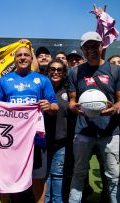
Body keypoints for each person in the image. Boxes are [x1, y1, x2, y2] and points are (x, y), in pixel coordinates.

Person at [0, 46, 59, 203]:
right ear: (14, 59)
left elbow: (55, 106)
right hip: (11, 142)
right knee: (7, 179)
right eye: (19, 55)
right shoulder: (4, 81)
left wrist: (49, 107)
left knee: (38, 179)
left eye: (26, 55)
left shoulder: (42, 80)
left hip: (36, 140)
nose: (22, 58)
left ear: (32, 59)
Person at [68, 31, 120, 203]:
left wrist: (113, 109)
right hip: (83, 131)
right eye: (87, 46)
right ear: (82, 50)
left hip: (109, 132)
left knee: (114, 176)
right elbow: (72, 101)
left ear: (102, 47)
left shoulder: (115, 70)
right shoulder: (74, 72)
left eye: (95, 45)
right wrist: (75, 108)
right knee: (79, 173)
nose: (91, 49)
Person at [43, 58, 75, 202]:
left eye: (59, 70)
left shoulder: (70, 92)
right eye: (52, 69)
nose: (55, 72)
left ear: (64, 73)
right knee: (44, 175)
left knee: (57, 175)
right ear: (47, 72)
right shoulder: (41, 89)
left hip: (61, 142)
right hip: (41, 141)